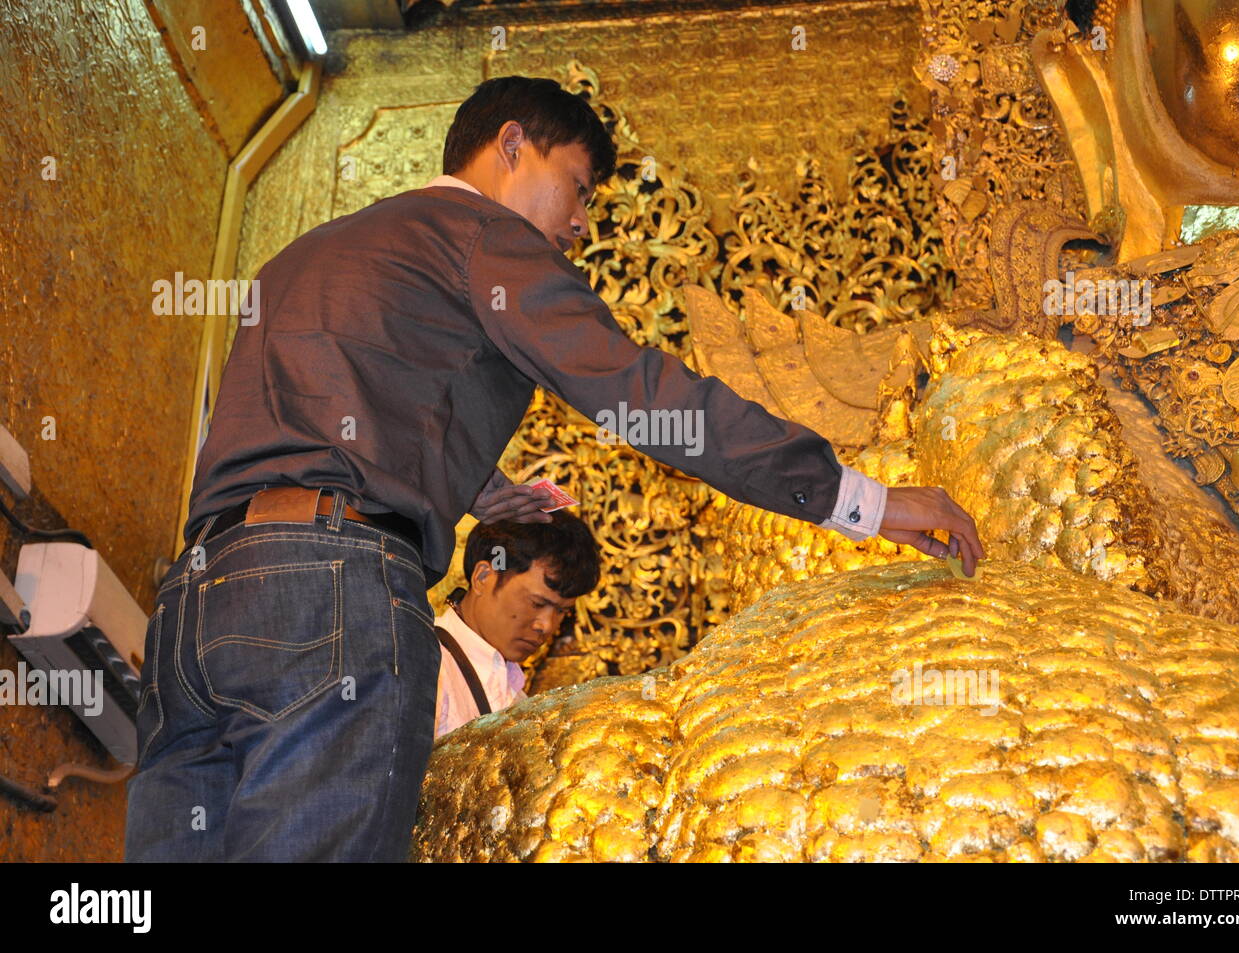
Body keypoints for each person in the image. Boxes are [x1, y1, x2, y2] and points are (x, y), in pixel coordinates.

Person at [125, 75, 984, 862]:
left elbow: (321, 426)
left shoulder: (305, 254)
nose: (579, 224)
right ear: (509, 146)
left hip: (193, 609)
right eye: (577, 187)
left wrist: (468, 487)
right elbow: (641, 392)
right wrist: (856, 498)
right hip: (331, 602)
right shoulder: (478, 234)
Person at [433, 512, 599, 740]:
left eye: (562, 611)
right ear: (483, 577)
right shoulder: (427, 665)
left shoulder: (515, 693)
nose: (546, 626)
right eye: (536, 603)